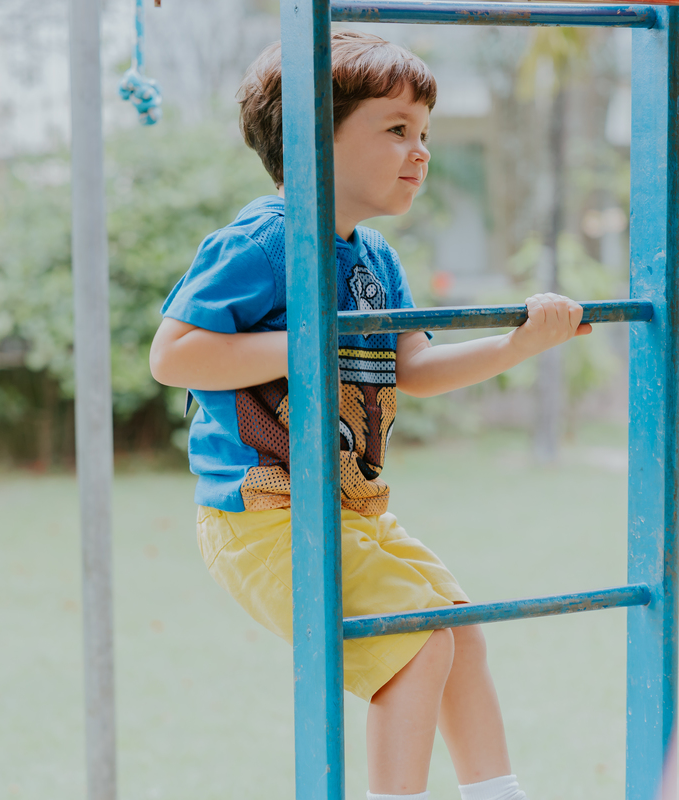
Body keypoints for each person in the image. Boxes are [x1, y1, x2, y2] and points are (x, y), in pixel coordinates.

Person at [149, 30, 590, 800]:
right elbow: (174, 354)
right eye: (396, 129)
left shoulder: (375, 258)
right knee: (414, 643)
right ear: (315, 140)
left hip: (351, 510)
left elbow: (413, 367)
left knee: (458, 628)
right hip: (264, 515)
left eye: (424, 133)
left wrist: (518, 344)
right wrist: (305, 341)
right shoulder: (266, 240)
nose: (421, 152)